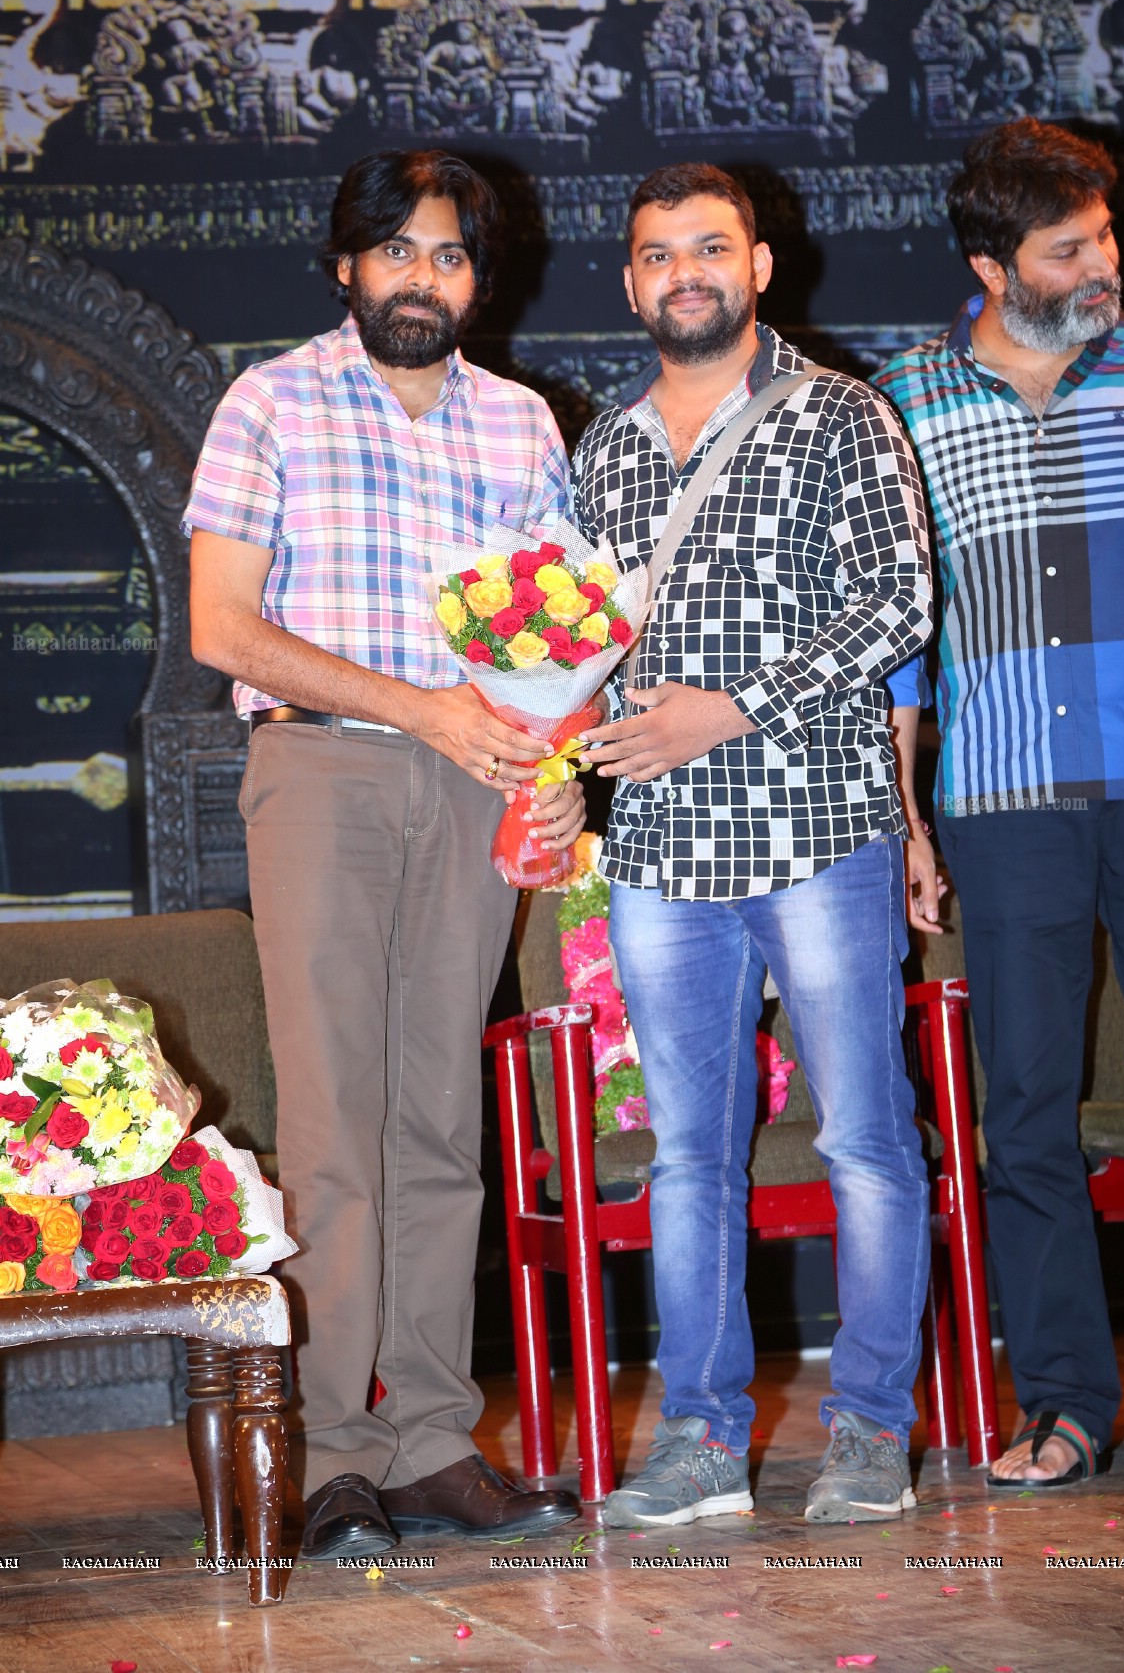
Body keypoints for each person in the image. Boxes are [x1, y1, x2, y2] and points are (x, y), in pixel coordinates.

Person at [185, 149, 583, 1557]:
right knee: (336, 1126)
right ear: (347, 268)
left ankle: (427, 1440)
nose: (424, 278)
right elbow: (222, 630)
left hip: (476, 790)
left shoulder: (523, 425)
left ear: (484, 278)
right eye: (397, 252)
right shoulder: (271, 402)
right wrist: (417, 702)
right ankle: (331, 1453)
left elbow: (562, 644)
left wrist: (558, 776)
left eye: (451, 256)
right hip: (324, 773)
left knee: (441, 1125)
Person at [571, 162, 935, 1526]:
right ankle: (702, 1444)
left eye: (709, 248)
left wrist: (729, 707)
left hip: (820, 828)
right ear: (630, 282)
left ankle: (870, 1429)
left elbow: (897, 602)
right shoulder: (604, 445)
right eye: (658, 254)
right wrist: (572, 744)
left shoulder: (841, 415)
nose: (685, 273)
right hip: (661, 848)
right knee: (689, 1157)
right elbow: (575, 643)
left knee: (862, 1143)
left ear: (761, 265)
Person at [875, 118, 1124, 1487]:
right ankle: (1065, 1403)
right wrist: (905, 814)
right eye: (1072, 247)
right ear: (993, 265)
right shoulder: (909, 396)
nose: (1107, 262)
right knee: (1025, 1113)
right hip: (1001, 796)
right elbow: (902, 629)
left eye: (1110, 235)